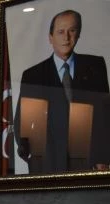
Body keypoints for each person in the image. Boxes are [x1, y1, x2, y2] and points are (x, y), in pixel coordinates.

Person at [14, 9, 109, 173]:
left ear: (78, 34)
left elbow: (106, 116)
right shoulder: (33, 75)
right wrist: (35, 161)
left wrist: (103, 158)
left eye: (72, 31)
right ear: (50, 37)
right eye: (60, 32)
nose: (66, 37)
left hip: (90, 167)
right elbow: (22, 126)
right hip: (49, 167)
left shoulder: (96, 66)